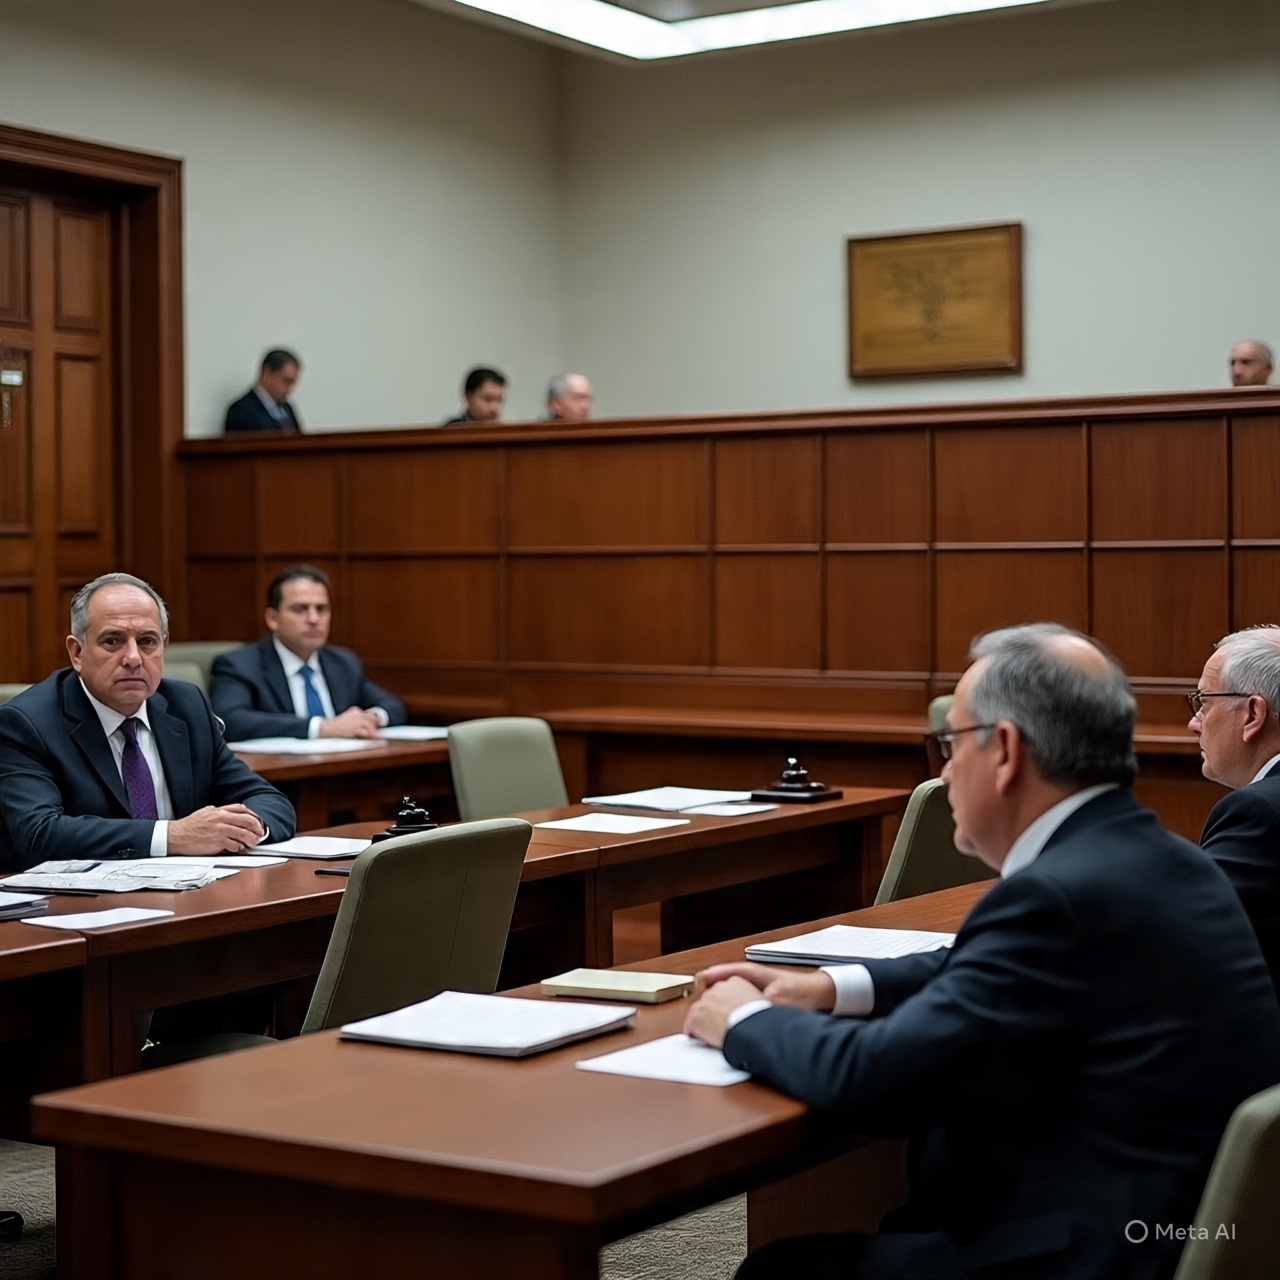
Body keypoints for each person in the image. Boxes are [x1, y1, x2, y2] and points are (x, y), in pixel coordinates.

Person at [685, 623, 1280, 1280]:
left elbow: (873, 1080)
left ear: (1003, 750)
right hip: (1166, 1224)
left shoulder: (1056, 895)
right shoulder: (1159, 858)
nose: (943, 771)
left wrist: (740, 1018)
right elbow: (994, 971)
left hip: (1084, 1255)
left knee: (782, 1272)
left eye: (950, 744)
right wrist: (832, 987)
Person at [0, 573, 296, 873]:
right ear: (77, 652)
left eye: (147, 641)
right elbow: (40, 834)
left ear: (163, 646)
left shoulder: (185, 705)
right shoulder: (27, 724)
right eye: (112, 641)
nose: (133, 658)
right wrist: (174, 835)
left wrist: (243, 827)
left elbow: (269, 800)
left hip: (189, 893)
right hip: (81, 907)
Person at [209, 565, 406, 741]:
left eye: (321, 609)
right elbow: (228, 720)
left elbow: (393, 706)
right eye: (300, 609)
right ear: (272, 618)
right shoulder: (239, 665)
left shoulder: (343, 662)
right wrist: (323, 727)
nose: (313, 619)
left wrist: (370, 719)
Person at [1190, 626, 1280, 984]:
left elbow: (1190, 930)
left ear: (1253, 714)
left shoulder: (1258, 812)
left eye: (1204, 702)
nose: (1193, 722)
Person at [224, 348, 304, 433]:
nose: (289, 389)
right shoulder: (240, 411)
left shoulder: (287, 409)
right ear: (266, 373)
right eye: (286, 381)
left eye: (292, 383)